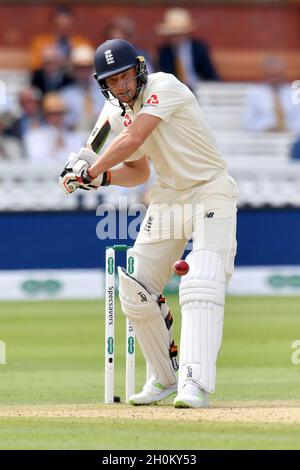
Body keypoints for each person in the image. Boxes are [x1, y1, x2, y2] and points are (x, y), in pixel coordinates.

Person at [59, 39, 238, 409]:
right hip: (169, 196)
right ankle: (165, 376)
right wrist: (98, 179)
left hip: (210, 189)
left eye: (125, 77)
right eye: (112, 81)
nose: (121, 86)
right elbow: (138, 170)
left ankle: (196, 382)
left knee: (201, 278)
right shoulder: (115, 111)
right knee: (135, 286)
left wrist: (91, 169)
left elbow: (134, 137)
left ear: (138, 70)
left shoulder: (164, 86)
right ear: (102, 84)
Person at [156, 8, 219, 91]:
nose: (176, 38)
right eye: (173, 35)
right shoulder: (165, 51)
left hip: (199, 88)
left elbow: (210, 73)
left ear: (186, 33)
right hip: (176, 90)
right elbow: (165, 75)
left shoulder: (198, 48)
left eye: (179, 34)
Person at [244, 56, 300, 133]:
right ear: (265, 75)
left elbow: (298, 118)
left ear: (283, 74)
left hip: (291, 135)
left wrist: (290, 128)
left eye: (277, 75)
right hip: (263, 137)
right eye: (271, 76)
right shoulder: (255, 94)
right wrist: (266, 128)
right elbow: (248, 122)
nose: (275, 80)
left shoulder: (295, 92)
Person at [25, 92, 84, 164]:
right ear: (45, 114)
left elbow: (78, 161)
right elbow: (37, 160)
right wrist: (54, 149)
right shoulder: (35, 136)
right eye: (53, 113)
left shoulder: (74, 136)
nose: (57, 117)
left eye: (61, 113)